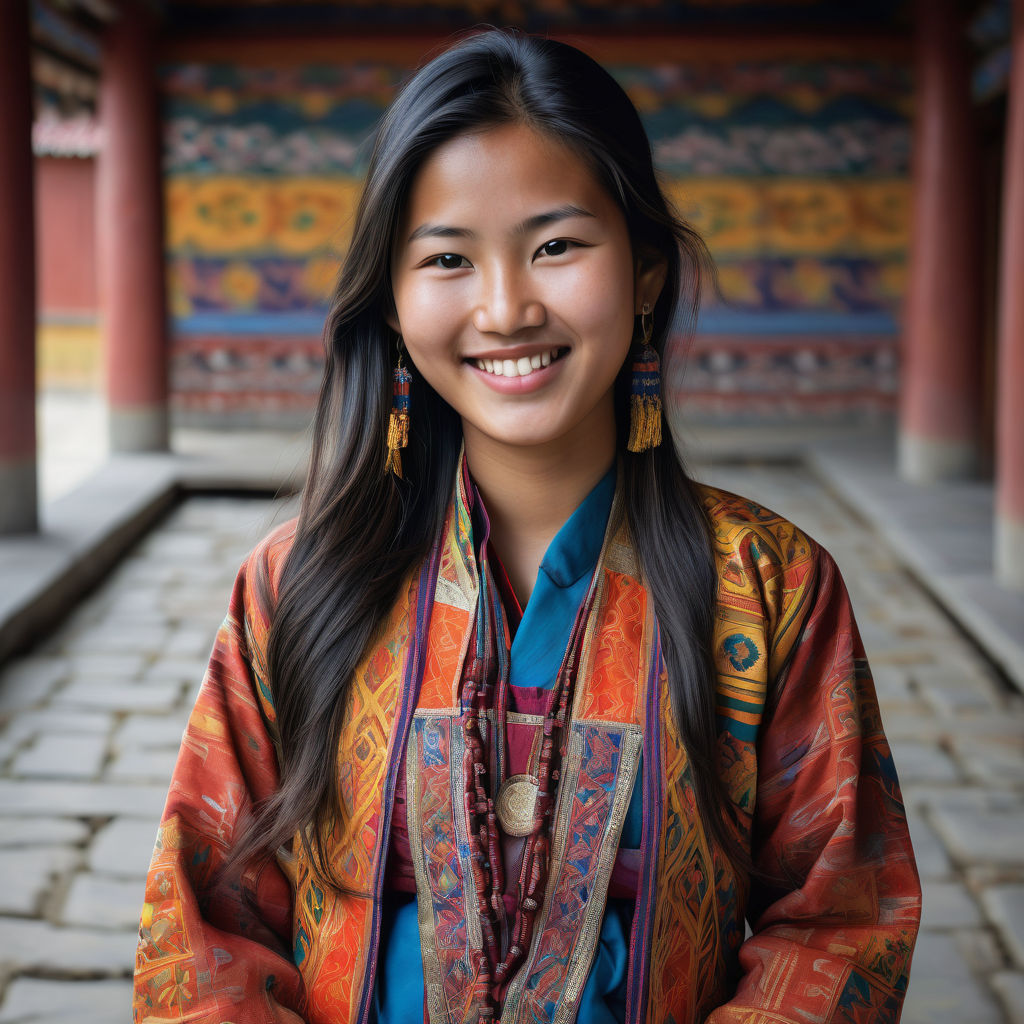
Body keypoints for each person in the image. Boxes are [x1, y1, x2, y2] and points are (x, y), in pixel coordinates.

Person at [132, 29, 921, 1024]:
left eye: (556, 246)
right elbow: (203, 927)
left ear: (641, 273)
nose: (505, 308)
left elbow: (839, 925)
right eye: (448, 258)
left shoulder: (768, 588)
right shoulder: (296, 586)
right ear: (391, 302)